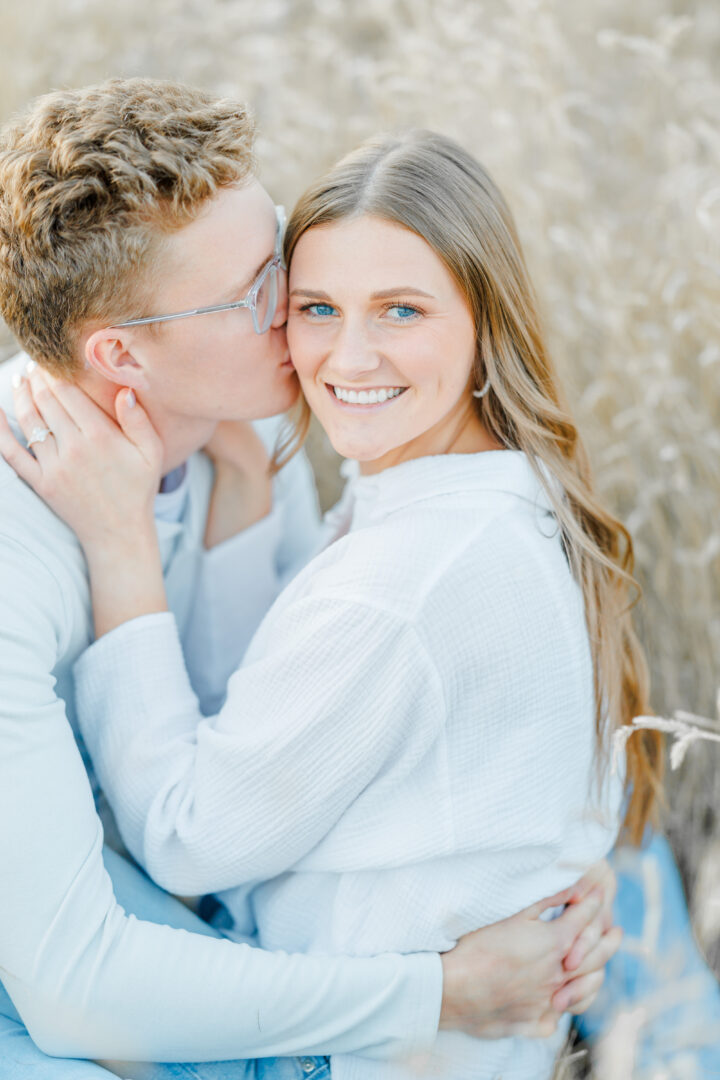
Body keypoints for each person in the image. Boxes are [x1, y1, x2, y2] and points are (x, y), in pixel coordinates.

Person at [0, 129, 683, 1080]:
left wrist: (123, 549)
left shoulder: (406, 576)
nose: (331, 347)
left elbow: (189, 839)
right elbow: (272, 717)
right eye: (308, 301)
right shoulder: (420, 481)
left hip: (350, 1051)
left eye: (400, 310)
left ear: (485, 315)